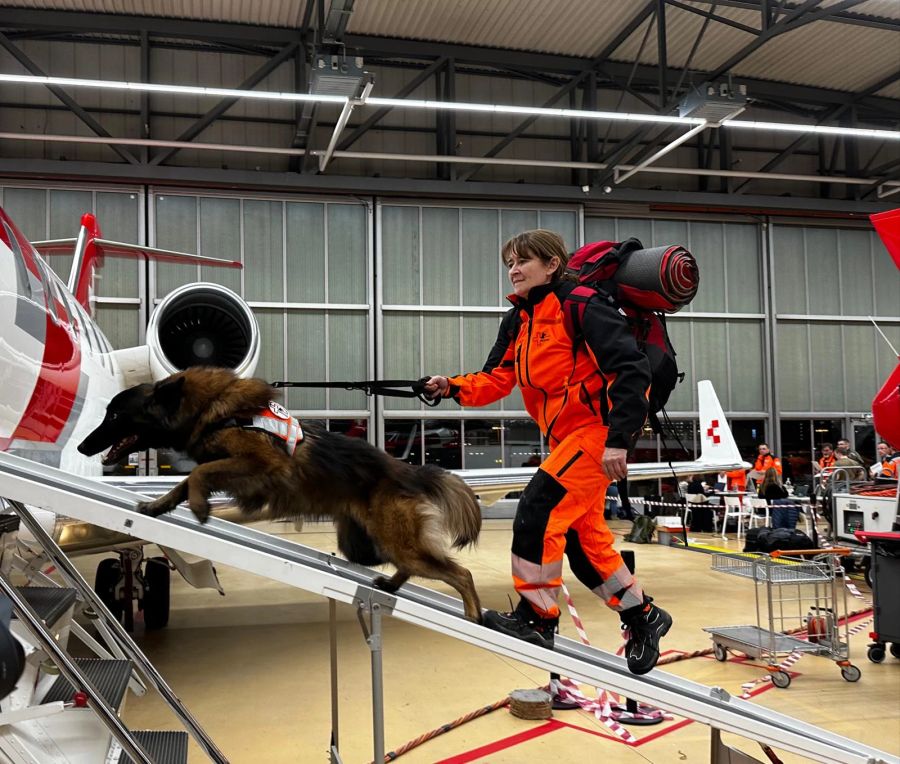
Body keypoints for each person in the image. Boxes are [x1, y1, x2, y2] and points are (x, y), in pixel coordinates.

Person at [424, 229, 671, 676]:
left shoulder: (582, 305)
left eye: (523, 261)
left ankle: (537, 619)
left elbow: (631, 370)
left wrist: (619, 438)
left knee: (537, 510)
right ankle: (643, 616)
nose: (514, 270)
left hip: (596, 434)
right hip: (564, 441)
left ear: (552, 265)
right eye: (510, 264)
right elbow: (497, 378)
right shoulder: (518, 319)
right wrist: (451, 386)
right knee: (582, 539)